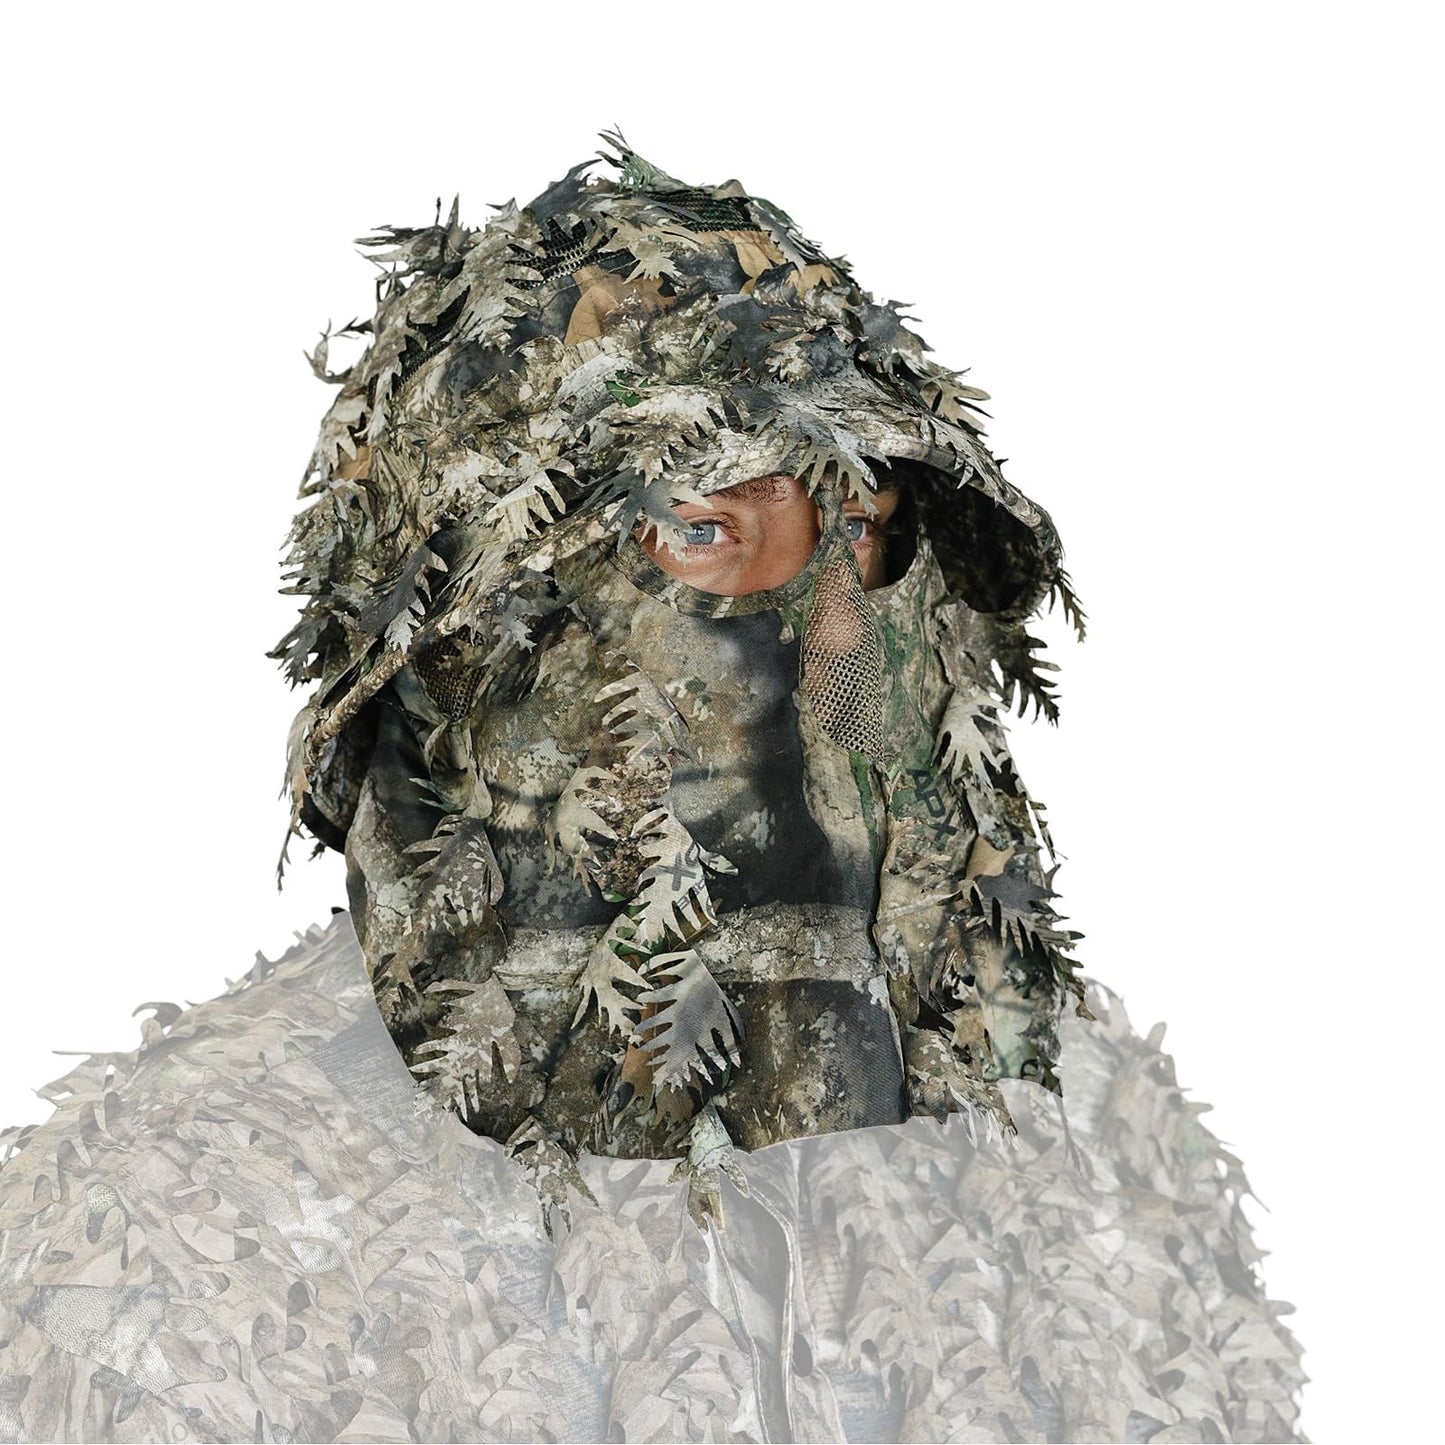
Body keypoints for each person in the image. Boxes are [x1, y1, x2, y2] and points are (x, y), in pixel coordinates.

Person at [0, 137, 1306, 1443]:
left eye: (865, 531)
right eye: (702, 528)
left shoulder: (1098, 1151)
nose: (840, 645)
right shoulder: (189, 1221)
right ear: (471, 631)